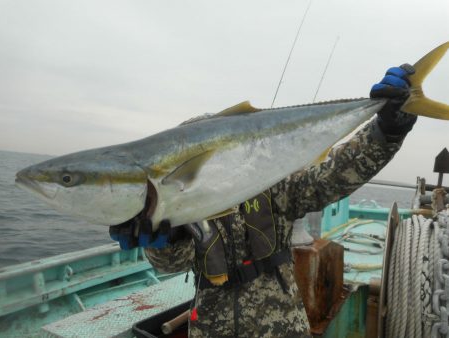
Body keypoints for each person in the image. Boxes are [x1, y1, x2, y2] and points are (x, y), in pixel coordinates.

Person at [110, 64, 417, 337]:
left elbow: (334, 176)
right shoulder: (182, 204)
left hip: (281, 324)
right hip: (210, 326)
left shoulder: (275, 186)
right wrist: (164, 240)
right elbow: (172, 265)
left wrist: (386, 131)